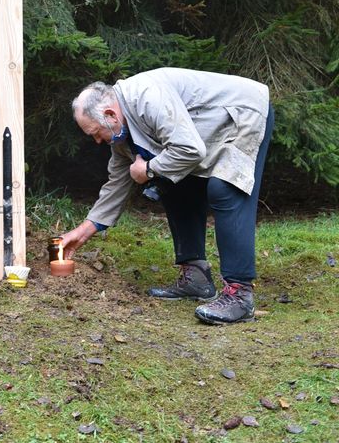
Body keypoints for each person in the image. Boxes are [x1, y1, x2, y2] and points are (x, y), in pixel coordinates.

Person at [61, 67, 274, 325]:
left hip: (241, 114)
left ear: (109, 115)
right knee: (172, 182)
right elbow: (118, 182)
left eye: (95, 133)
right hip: (203, 132)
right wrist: (82, 232)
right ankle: (195, 278)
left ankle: (240, 296)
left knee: (225, 189)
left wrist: (149, 170)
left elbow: (189, 149)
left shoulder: (147, 98)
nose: (96, 141)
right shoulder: (120, 132)